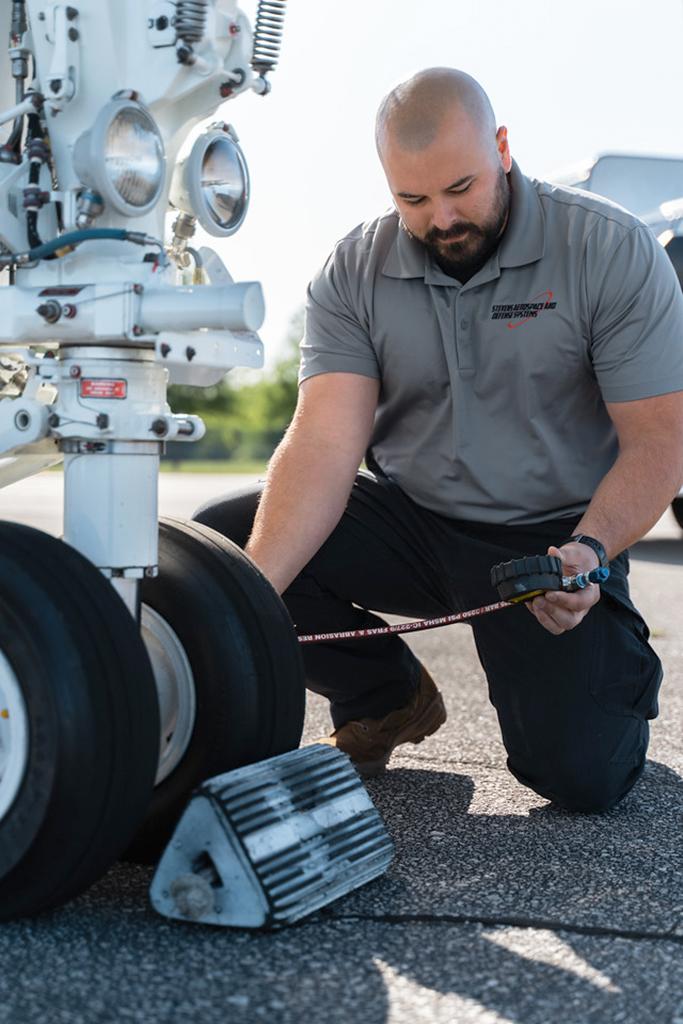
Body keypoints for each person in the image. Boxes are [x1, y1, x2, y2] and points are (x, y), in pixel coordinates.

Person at [194, 68, 683, 812]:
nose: (443, 218)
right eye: (412, 199)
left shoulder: (605, 247)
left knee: (581, 777)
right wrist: (244, 606)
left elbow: (657, 441)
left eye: (461, 187)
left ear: (502, 148)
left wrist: (589, 550)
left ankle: (607, 672)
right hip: (413, 524)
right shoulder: (354, 269)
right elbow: (322, 444)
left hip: (548, 546)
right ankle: (385, 698)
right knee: (225, 555)